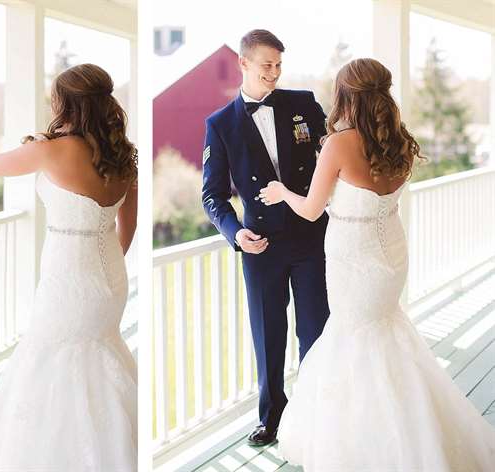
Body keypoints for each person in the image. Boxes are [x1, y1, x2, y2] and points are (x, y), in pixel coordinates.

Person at [260, 57, 495, 471]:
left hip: (353, 256)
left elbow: (313, 210)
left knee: (355, 341)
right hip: (391, 252)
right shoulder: (398, 139)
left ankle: (365, 449)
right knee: (385, 333)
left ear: (345, 95)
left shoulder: (338, 143)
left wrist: (281, 191)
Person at [0, 63, 138, 471]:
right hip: (109, 279)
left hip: (67, 279)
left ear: (65, 103)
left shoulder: (50, 150)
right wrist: (105, 275)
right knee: (98, 362)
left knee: (50, 362)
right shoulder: (123, 154)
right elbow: (129, 226)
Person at [201, 29, 330, 446]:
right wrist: (235, 232)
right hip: (260, 245)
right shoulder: (219, 125)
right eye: (266, 65)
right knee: (268, 333)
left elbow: (333, 151)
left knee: (315, 330)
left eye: (278, 65)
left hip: (311, 236)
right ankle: (271, 417)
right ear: (244, 63)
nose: (274, 73)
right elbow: (213, 195)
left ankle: (317, 411)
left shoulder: (303, 104)